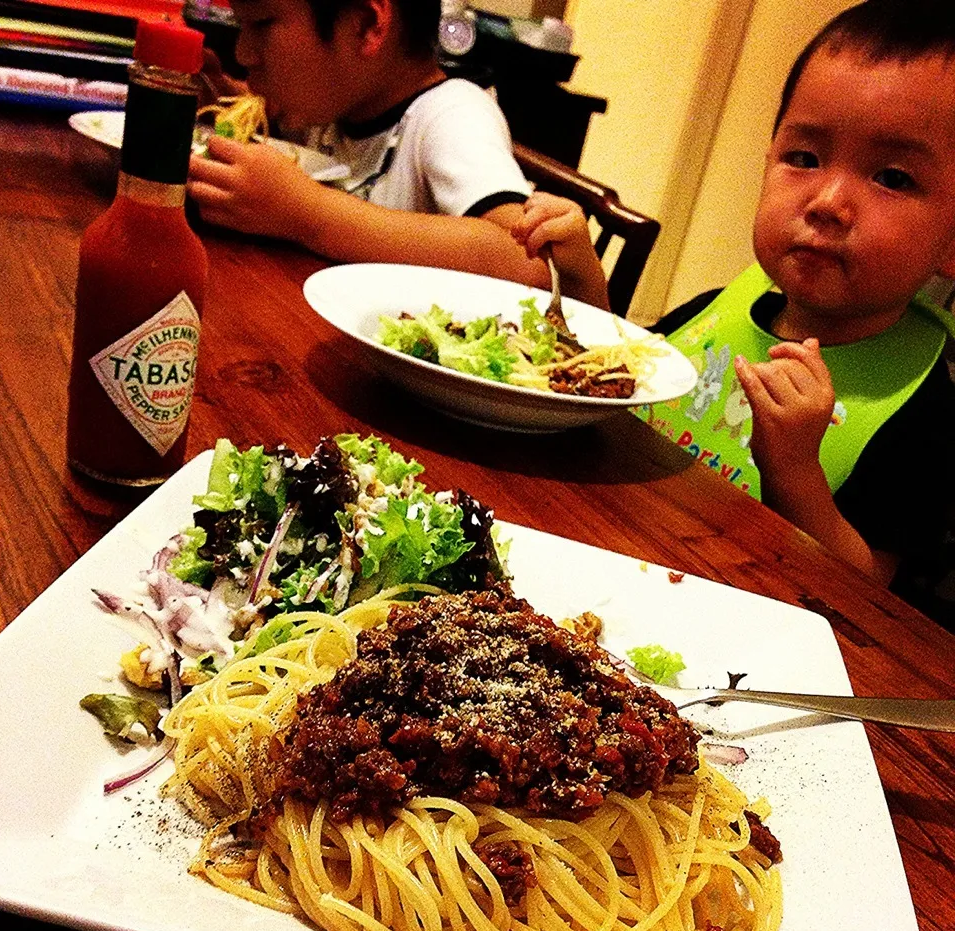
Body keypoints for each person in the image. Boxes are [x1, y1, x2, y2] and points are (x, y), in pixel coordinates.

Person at [514, 0, 955, 601]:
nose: (827, 200)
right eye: (804, 158)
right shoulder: (720, 305)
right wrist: (583, 278)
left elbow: (864, 598)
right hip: (607, 560)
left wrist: (796, 471)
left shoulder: (925, 419)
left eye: (892, 177)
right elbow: (621, 381)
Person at [188, 0, 548, 288]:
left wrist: (305, 213)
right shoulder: (335, 103)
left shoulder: (452, 113)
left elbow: (527, 258)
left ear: (366, 25)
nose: (243, 52)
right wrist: (224, 93)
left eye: (262, 24)